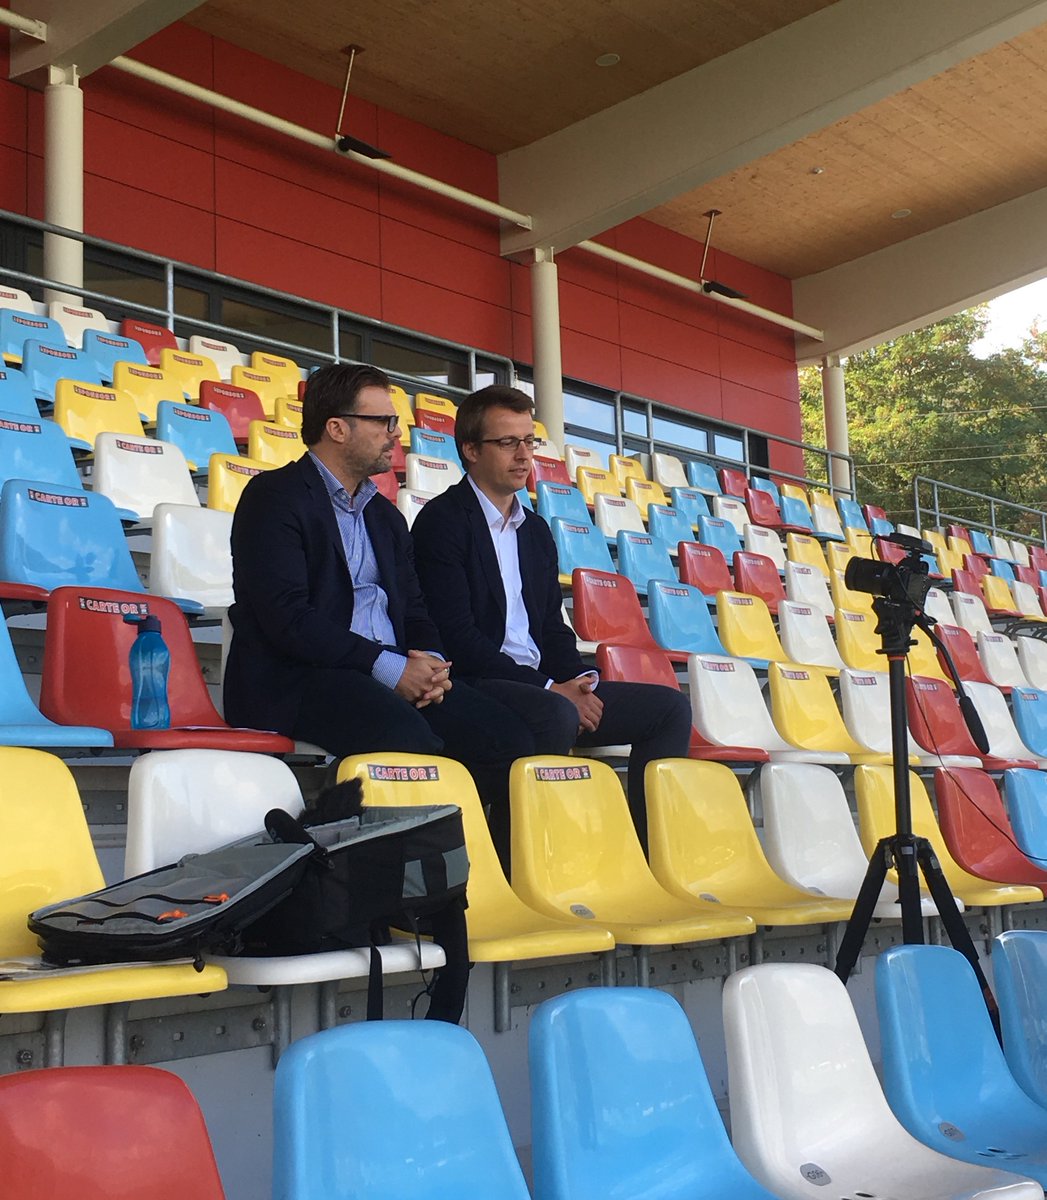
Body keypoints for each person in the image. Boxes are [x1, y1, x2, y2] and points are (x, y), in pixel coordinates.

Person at [225, 363, 534, 864]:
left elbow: (415, 608)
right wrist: (389, 668)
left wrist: (429, 663)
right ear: (337, 427)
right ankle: (391, 879)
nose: (396, 434)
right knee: (408, 737)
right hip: (299, 677)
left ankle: (466, 873)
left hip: (383, 671)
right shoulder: (274, 498)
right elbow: (288, 619)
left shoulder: (385, 516)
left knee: (508, 738)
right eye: (384, 422)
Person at [411, 384, 692, 852]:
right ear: (471, 450)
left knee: (669, 708)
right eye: (508, 442)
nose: (524, 455)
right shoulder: (443, 522)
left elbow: (549, 626)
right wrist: (549, 688)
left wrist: (579, 681)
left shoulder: (535, 530)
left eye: (529, 441)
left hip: (541, 682)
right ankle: (529, 862)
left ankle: (654, 856)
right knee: (554, 713)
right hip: (478, 681)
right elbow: (458, 638)